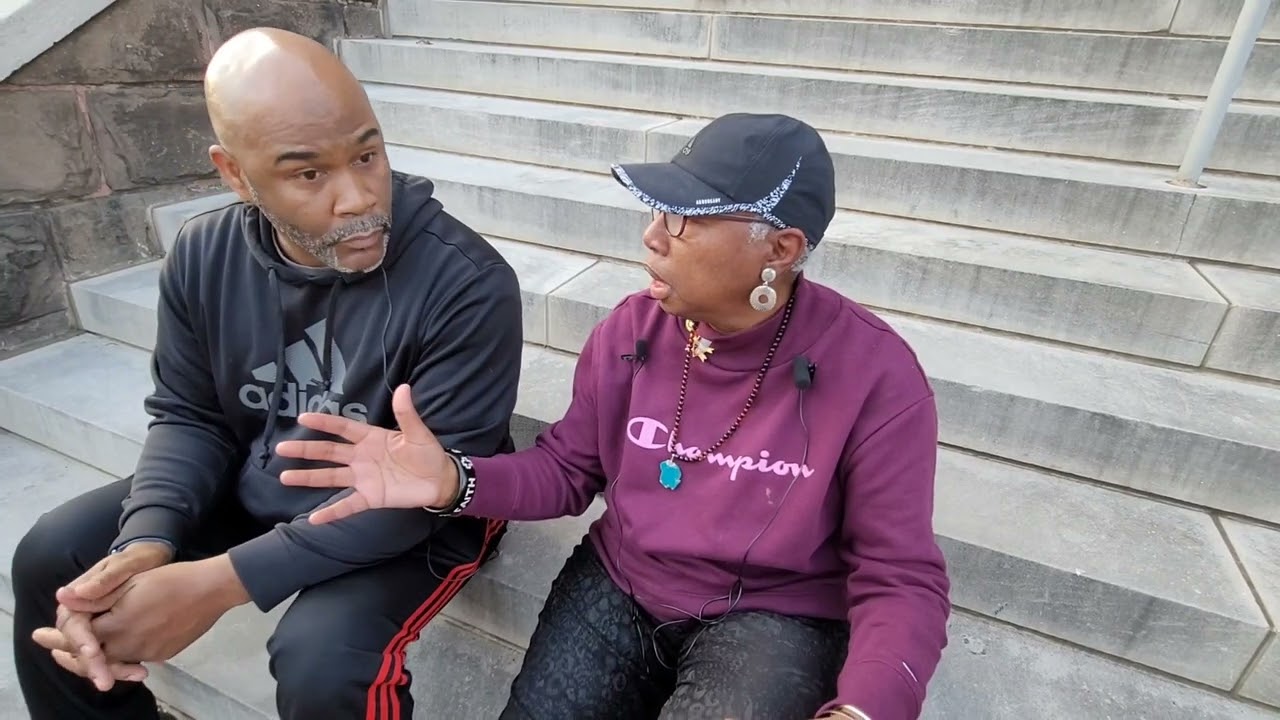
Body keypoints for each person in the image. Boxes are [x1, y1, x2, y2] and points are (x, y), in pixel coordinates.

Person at [277, 112, 952, 720]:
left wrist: (866, 709)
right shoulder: (634, 331)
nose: (652, 236)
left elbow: (901, 577)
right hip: (623, 584)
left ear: (778, 250)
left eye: (684, 217)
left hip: (776, 618)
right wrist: (456, 482)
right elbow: (568, 470)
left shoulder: (877, 378)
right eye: (655, 209)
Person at [10, 27, 523, 720]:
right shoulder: (205, 254)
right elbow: (191, 416)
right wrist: (148, 540)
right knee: (57, 558)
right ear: (234, 174)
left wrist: (218, 582)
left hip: (422, 512)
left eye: (368, 154)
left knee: (323, 662)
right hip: (262, 470)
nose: (357, 199)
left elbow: (428, 489)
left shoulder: (467, 282)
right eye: (309, 172)